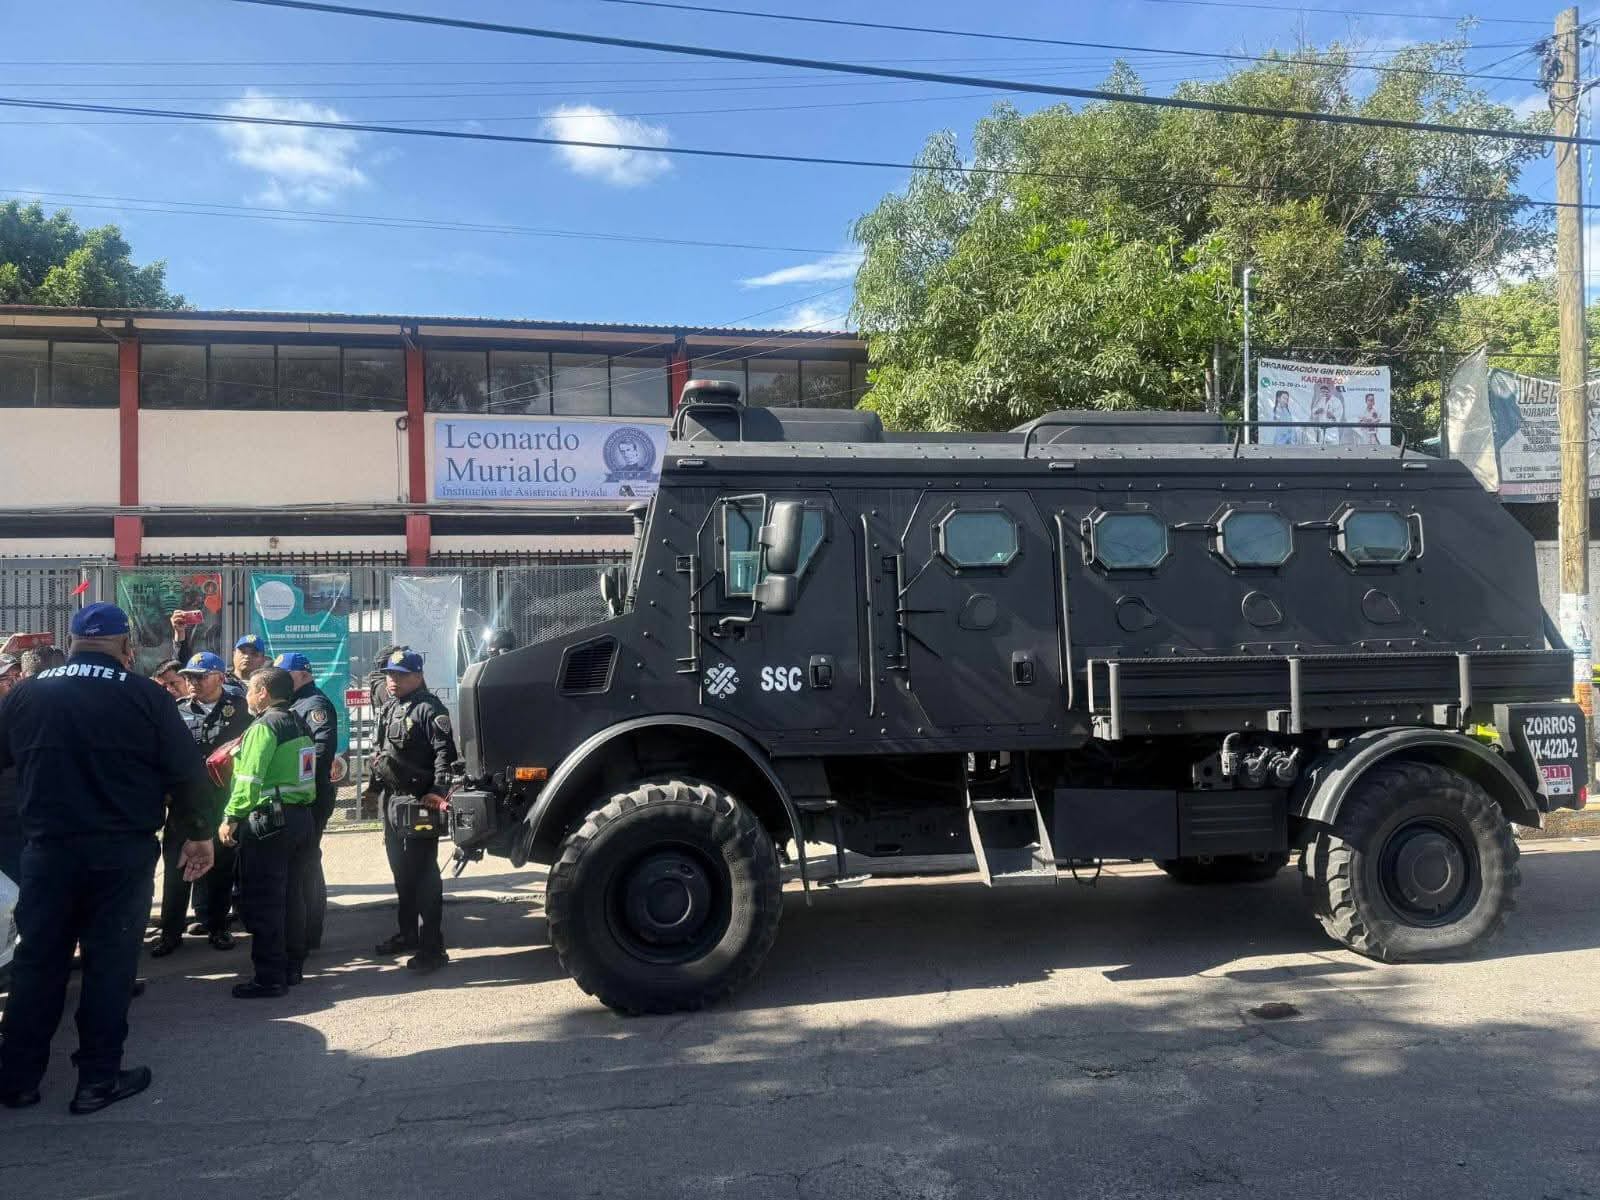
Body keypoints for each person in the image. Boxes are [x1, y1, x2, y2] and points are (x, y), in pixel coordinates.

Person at [0, 603, 214, 1114]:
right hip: (120, 854)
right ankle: (97, 1080)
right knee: (109, 965)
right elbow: (187, 773)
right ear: (124, 646)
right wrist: (198, 835)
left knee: (37, 962)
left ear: (73, 641)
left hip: (47, 851)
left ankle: (17, 1079)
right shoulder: (145, 695)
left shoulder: (27, 694)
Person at [218, 666, 316, 999]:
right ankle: (292, 967)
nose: (246, 695)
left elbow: (249, 780)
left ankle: (269, 977)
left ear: (263, 693)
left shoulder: (264, 727)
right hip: (300, 817)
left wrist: (231, 816)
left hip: (269, 818)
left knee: (264, 900)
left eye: (250, 689)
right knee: (293, 896)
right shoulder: (298, 722)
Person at [149, 653, 249, 958]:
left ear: (220, 677)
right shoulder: (176, 710)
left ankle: (217, 927)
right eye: (189, 677)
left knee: (220, 868)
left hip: (220, 802)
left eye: (200, 677)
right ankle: (170, 933)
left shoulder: (240, 710)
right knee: (176, 869)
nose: (192, 682)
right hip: (184, 804)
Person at [369, 648, 456, 973]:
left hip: (419, 803)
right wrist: (373, 790)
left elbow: (446, 755)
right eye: (390, 674)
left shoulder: (429, 709)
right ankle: (408, 934)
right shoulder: (391, 706)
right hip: (392, 801)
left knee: (423, 873)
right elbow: (382, 753)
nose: (393, 680)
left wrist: (437, 791)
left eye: (401, 675)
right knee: (401, 873)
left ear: (418, 676)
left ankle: (433, 948)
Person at [276, 652, 338, 951]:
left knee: (307, 864)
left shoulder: (314, 705)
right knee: (300, 864)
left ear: (302, 674)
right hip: (300, 795)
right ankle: (299, 927)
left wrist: (297, 780)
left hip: (312, 795)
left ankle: (309, 932)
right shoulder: (294, 702)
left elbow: (320, 753)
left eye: (284, 674)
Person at [0, 655, 19, 885]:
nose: (13, 682)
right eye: (5, 678)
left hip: (21, 814)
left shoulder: (22, 710)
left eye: (16, 675)